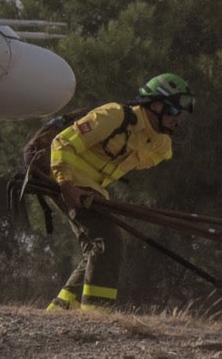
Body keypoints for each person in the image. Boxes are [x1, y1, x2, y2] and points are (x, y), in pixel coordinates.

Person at [45, 72, 194, 311]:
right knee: (108, 242)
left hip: (93, 191)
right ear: (155, 105)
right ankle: (96, 313)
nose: (178, 120)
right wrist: (65, 183)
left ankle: (58, 312)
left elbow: (154, 153)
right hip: (66, 180)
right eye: (175, 111)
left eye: (182, 115)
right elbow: (62, 143)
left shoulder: (159, 143)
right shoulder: (114, 115)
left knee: (97, 249)